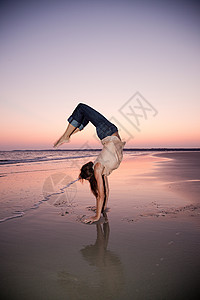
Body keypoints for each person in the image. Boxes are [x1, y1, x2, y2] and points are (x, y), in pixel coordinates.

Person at [54, 103, 125, 224]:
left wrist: (98, 214)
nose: (89, 181)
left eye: (87, 179)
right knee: (82, 109)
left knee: (83, 111)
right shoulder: (99, 168)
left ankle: (68, 135)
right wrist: (99, 212)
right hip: (108, 132)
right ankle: (69, 134)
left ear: (90, 175)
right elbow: (104, 193)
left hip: (108, 133)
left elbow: (103, 194)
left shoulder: (100, 170)